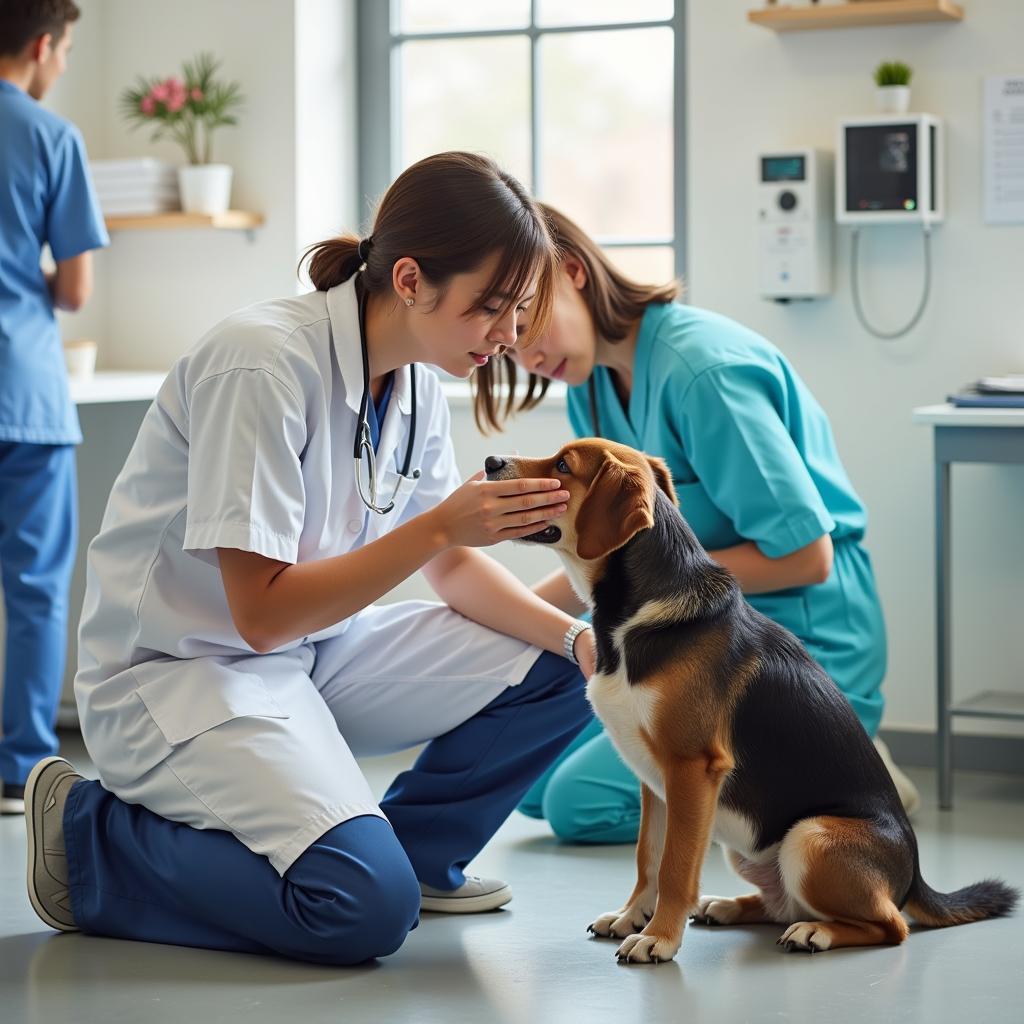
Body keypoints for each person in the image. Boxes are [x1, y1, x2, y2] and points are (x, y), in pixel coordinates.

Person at [23, 152, 596, 966]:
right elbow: (260, 614)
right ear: (409, 280)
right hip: (182, 676)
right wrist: (439, 528)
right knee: (359, 910)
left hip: (313, 653)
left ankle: (416, 853)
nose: (508, 338)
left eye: (521, 312)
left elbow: (455, 572)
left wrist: (580, 641)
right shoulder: (262, 363)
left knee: (574, 666)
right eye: (492, 310)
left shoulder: (418, 380)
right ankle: (90, 841)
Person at [472, 203, 920, 845]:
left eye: (523, 314)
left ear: (572, 272)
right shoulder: (592, 380)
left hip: (792, 642)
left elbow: (808, 557)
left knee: (579, 805)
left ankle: (837, 781)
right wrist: (504, 610)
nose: (516, 345)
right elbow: (613, 552)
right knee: (535, 791)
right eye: (500, 328)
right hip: (684, 632)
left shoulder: (702, 372)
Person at [0, 1, 108, 815]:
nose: (63, 64)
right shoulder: (49, 136)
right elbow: (73, 288)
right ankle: (20, 769)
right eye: (65, 50)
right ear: (42, 44)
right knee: (35, 586)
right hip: (23, 394)